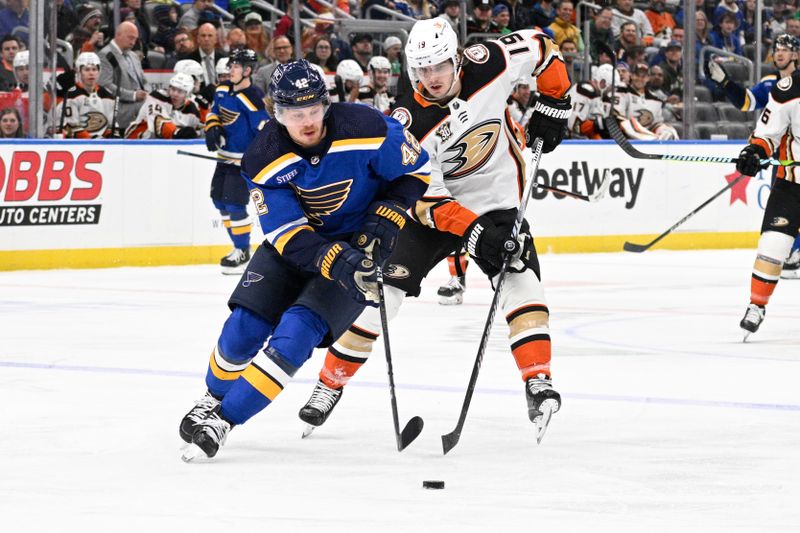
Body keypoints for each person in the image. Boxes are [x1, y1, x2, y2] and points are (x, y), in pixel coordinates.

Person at [298, 18, 570, 439]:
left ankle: (538, 379)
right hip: (433, 214)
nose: (432, 78)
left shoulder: (489, 62)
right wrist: (473, 230)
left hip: (498, 202)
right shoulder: (407, 124)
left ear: (456, 58)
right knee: (380, 292)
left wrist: (555, 99)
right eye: (422, 69)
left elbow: (542, 45)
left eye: (439, 66)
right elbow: (427, 199)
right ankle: (328, 385)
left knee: (521, 278)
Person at [179, 59, 431, 460]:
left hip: (358, 248)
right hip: (294, 250)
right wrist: (335, 257)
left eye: (314, 110)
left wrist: (390, 212)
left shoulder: (368, 128)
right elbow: (286, 234)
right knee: (241, 330)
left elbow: (416, 170)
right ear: (277, 114)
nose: (308, 121)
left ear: (326, 105)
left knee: (296, 335)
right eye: (296, 114)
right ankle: (212, 397)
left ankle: (224, 419)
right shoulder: (262, 156)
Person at [708, 34, 800, 278]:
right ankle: (793, 252)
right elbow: (747, 103)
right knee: (784, 206)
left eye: (785, 49)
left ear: (796, 55)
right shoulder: (770, 84)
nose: (779, 53)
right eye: (776, 49)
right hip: (778, 155)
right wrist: (726, 83)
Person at [735, 67, 800, 339]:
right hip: (792, 183)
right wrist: (754, 151)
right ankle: (756, 306)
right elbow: (767, 133)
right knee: (773, 245)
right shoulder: (788, 89)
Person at [204, 48, 270, 274]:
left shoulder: (252, 98)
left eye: (235, 66)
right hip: (224, 159)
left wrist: (257, 158)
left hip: (241, 163)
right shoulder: (222, 90)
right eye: (230, 66)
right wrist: (213, 128)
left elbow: (263, 130)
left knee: (234, 204)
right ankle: (238, 247)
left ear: (247, 70)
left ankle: (243, 251)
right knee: (219, 202)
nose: (230, 70)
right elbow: (213, 112)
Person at [98, 21, 149, 132]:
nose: (133, 42)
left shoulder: (133, 55)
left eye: (135, 39)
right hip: (120, 107)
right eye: (130, 38)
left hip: (140, 104)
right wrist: (133, 95)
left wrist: (148, 94)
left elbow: (144, 81)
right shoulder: (105, 55)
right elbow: (105, 85)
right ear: (118, 35)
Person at [124, 73, 202, 139]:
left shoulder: (192, 110)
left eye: (180, 91)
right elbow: (158, 123)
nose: (175, 94)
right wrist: (177, 132)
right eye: (173, 89)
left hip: (163, 145)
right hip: (135, 138)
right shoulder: (157, 96)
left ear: (187, 94)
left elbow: (200, 130)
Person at [59, 52, 116, 139]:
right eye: (87, 69)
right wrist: (93, 140)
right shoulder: (71, 96)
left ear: (99, 71)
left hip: (102, 145)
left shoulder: (107, 96)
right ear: (79, 71)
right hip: (79, 146)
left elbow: (111, 126)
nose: (91, 73)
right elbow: (72, 127)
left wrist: (110, 137)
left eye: (94, 69)